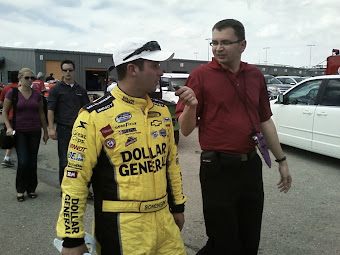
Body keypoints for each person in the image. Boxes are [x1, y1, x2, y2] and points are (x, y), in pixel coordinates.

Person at [56, 38, 187, 255]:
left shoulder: (162, 111)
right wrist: (71, 237)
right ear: (132, 69)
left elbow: (171, 163)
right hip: (122, 228)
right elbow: (74, 179)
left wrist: (178, 206)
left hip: (164, 222)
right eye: (155, 66)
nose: (161, 72)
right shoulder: (93, 116)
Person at [175, 19, 292, 255]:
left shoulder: (255, 75)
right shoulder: (200, 75)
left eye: (226, 42)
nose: (218, 48)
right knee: (223, 241)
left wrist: (282, 161)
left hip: (249, 165)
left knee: (250, 238)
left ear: (243, 45)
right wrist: (191, 106)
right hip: (216, 168)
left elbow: (265, 121)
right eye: (214, 42)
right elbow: (185, 129)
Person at [2, 68, 48, 202]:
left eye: (32, 78)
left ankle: (31, 188)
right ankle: (20, 189)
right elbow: (4, 112)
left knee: (33, 162)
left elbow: (41, 113)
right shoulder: (13, 92)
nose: (30, 80)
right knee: (23, 161)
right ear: (20, 78)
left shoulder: (37, 94)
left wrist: (45, 132)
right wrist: (9, 127)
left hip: (34, 131)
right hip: (19, 131)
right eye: (27, 78)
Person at [47, 60, 90, 187]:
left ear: (74, 71)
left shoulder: (80, 90)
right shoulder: (56, 89)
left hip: (79, 130)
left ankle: (80, 187)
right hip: (63, 129)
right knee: (64, 161)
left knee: (81, 160)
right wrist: (51, 128)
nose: (68, 73)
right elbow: (50, 109)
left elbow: (86, 110)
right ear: (62, 72)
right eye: (65, 70)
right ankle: (65, 188)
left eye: (70, 70)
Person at [0, 72, 19, 167]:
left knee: (11, 137)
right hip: (18, 117)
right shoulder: (22, 87)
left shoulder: (6, 88)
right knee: (16, 139)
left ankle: (7, 158)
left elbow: (1, 102)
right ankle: (7, 158)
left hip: (9, 116)